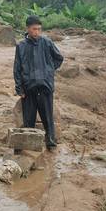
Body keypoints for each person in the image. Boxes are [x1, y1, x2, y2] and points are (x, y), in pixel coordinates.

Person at [13, 15, 64, 149]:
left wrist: (49, 70)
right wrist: (19, 89)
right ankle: (29, 145)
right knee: (29, 119)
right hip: (28, 88)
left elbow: (59, 58)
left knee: (47, 117)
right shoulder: (21, 46)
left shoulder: (46, 42)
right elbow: (17, 68)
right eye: (34, 29)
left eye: (39, 29)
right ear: (28, 29)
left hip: (45, 87)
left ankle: (50, 142)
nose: (37, 32)